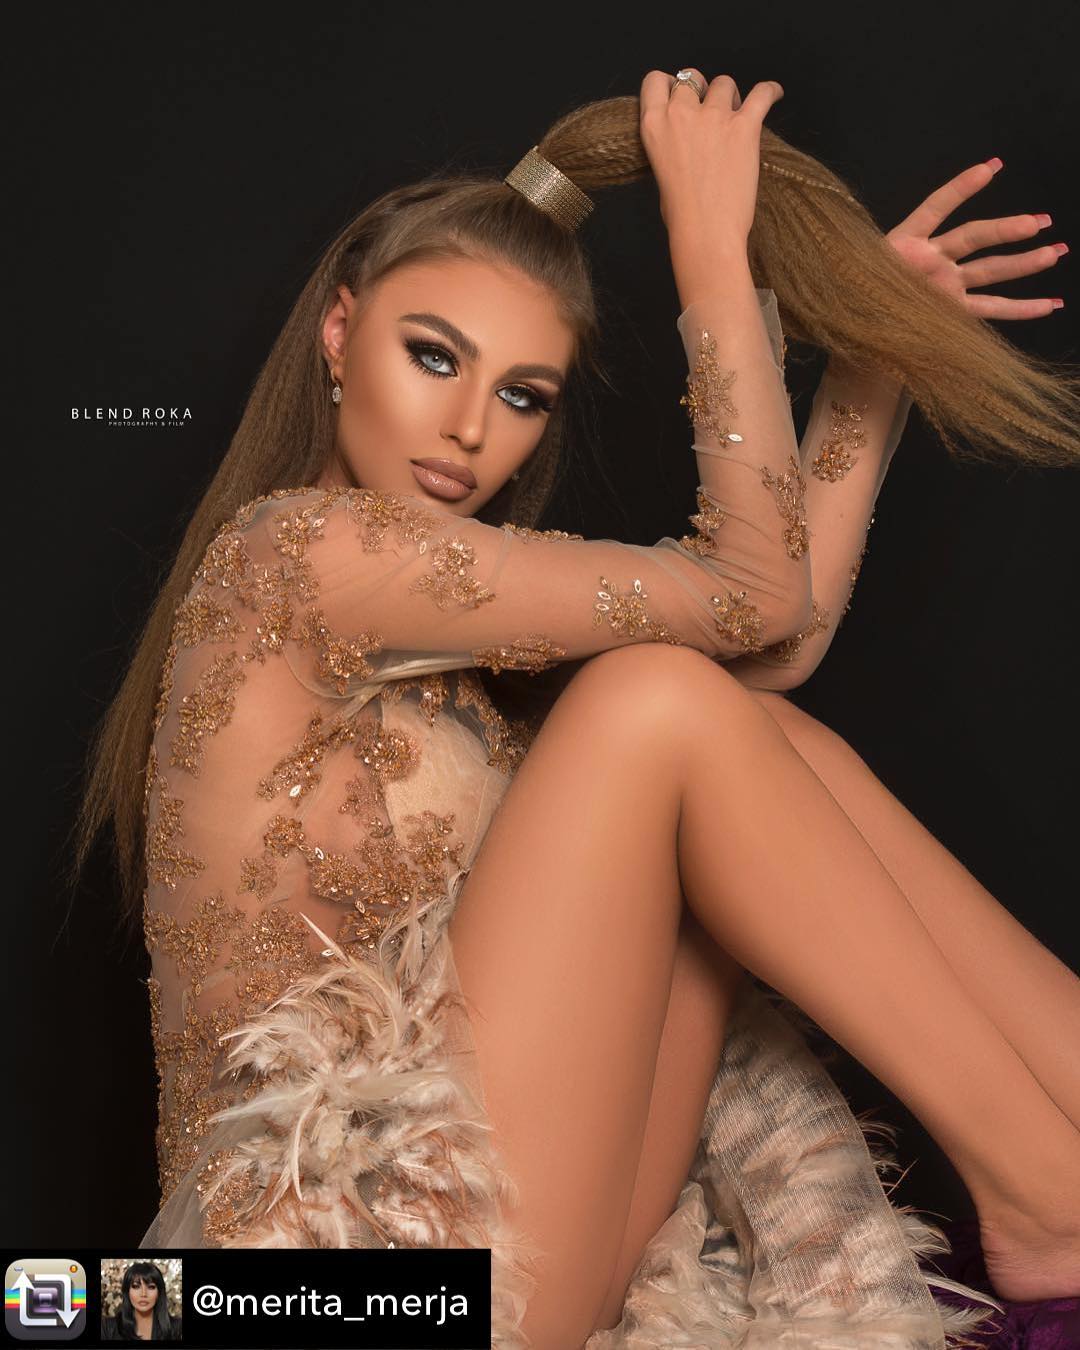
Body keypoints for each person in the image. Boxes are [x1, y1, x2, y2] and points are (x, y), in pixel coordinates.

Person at [71, 67, 1080, 1349]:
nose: (466, 430)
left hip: (527, 1244)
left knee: (748, 729)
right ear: (338, 332)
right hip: (330, 1275)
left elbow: (768, 649)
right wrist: (709, 253)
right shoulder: (293, 556)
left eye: (521, 396)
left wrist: (874, 365)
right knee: (659, 699)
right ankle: (1047, 1195)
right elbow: (745, 604)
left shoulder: (457, 671)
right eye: (432, 355)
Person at [100, 1262, 182, 1342]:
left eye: (151, 1287)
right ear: (127, 1292)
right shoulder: (107, 1327)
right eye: (136, 1286)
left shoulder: (178, 1328)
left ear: (159, 1293)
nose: (143, 1294)